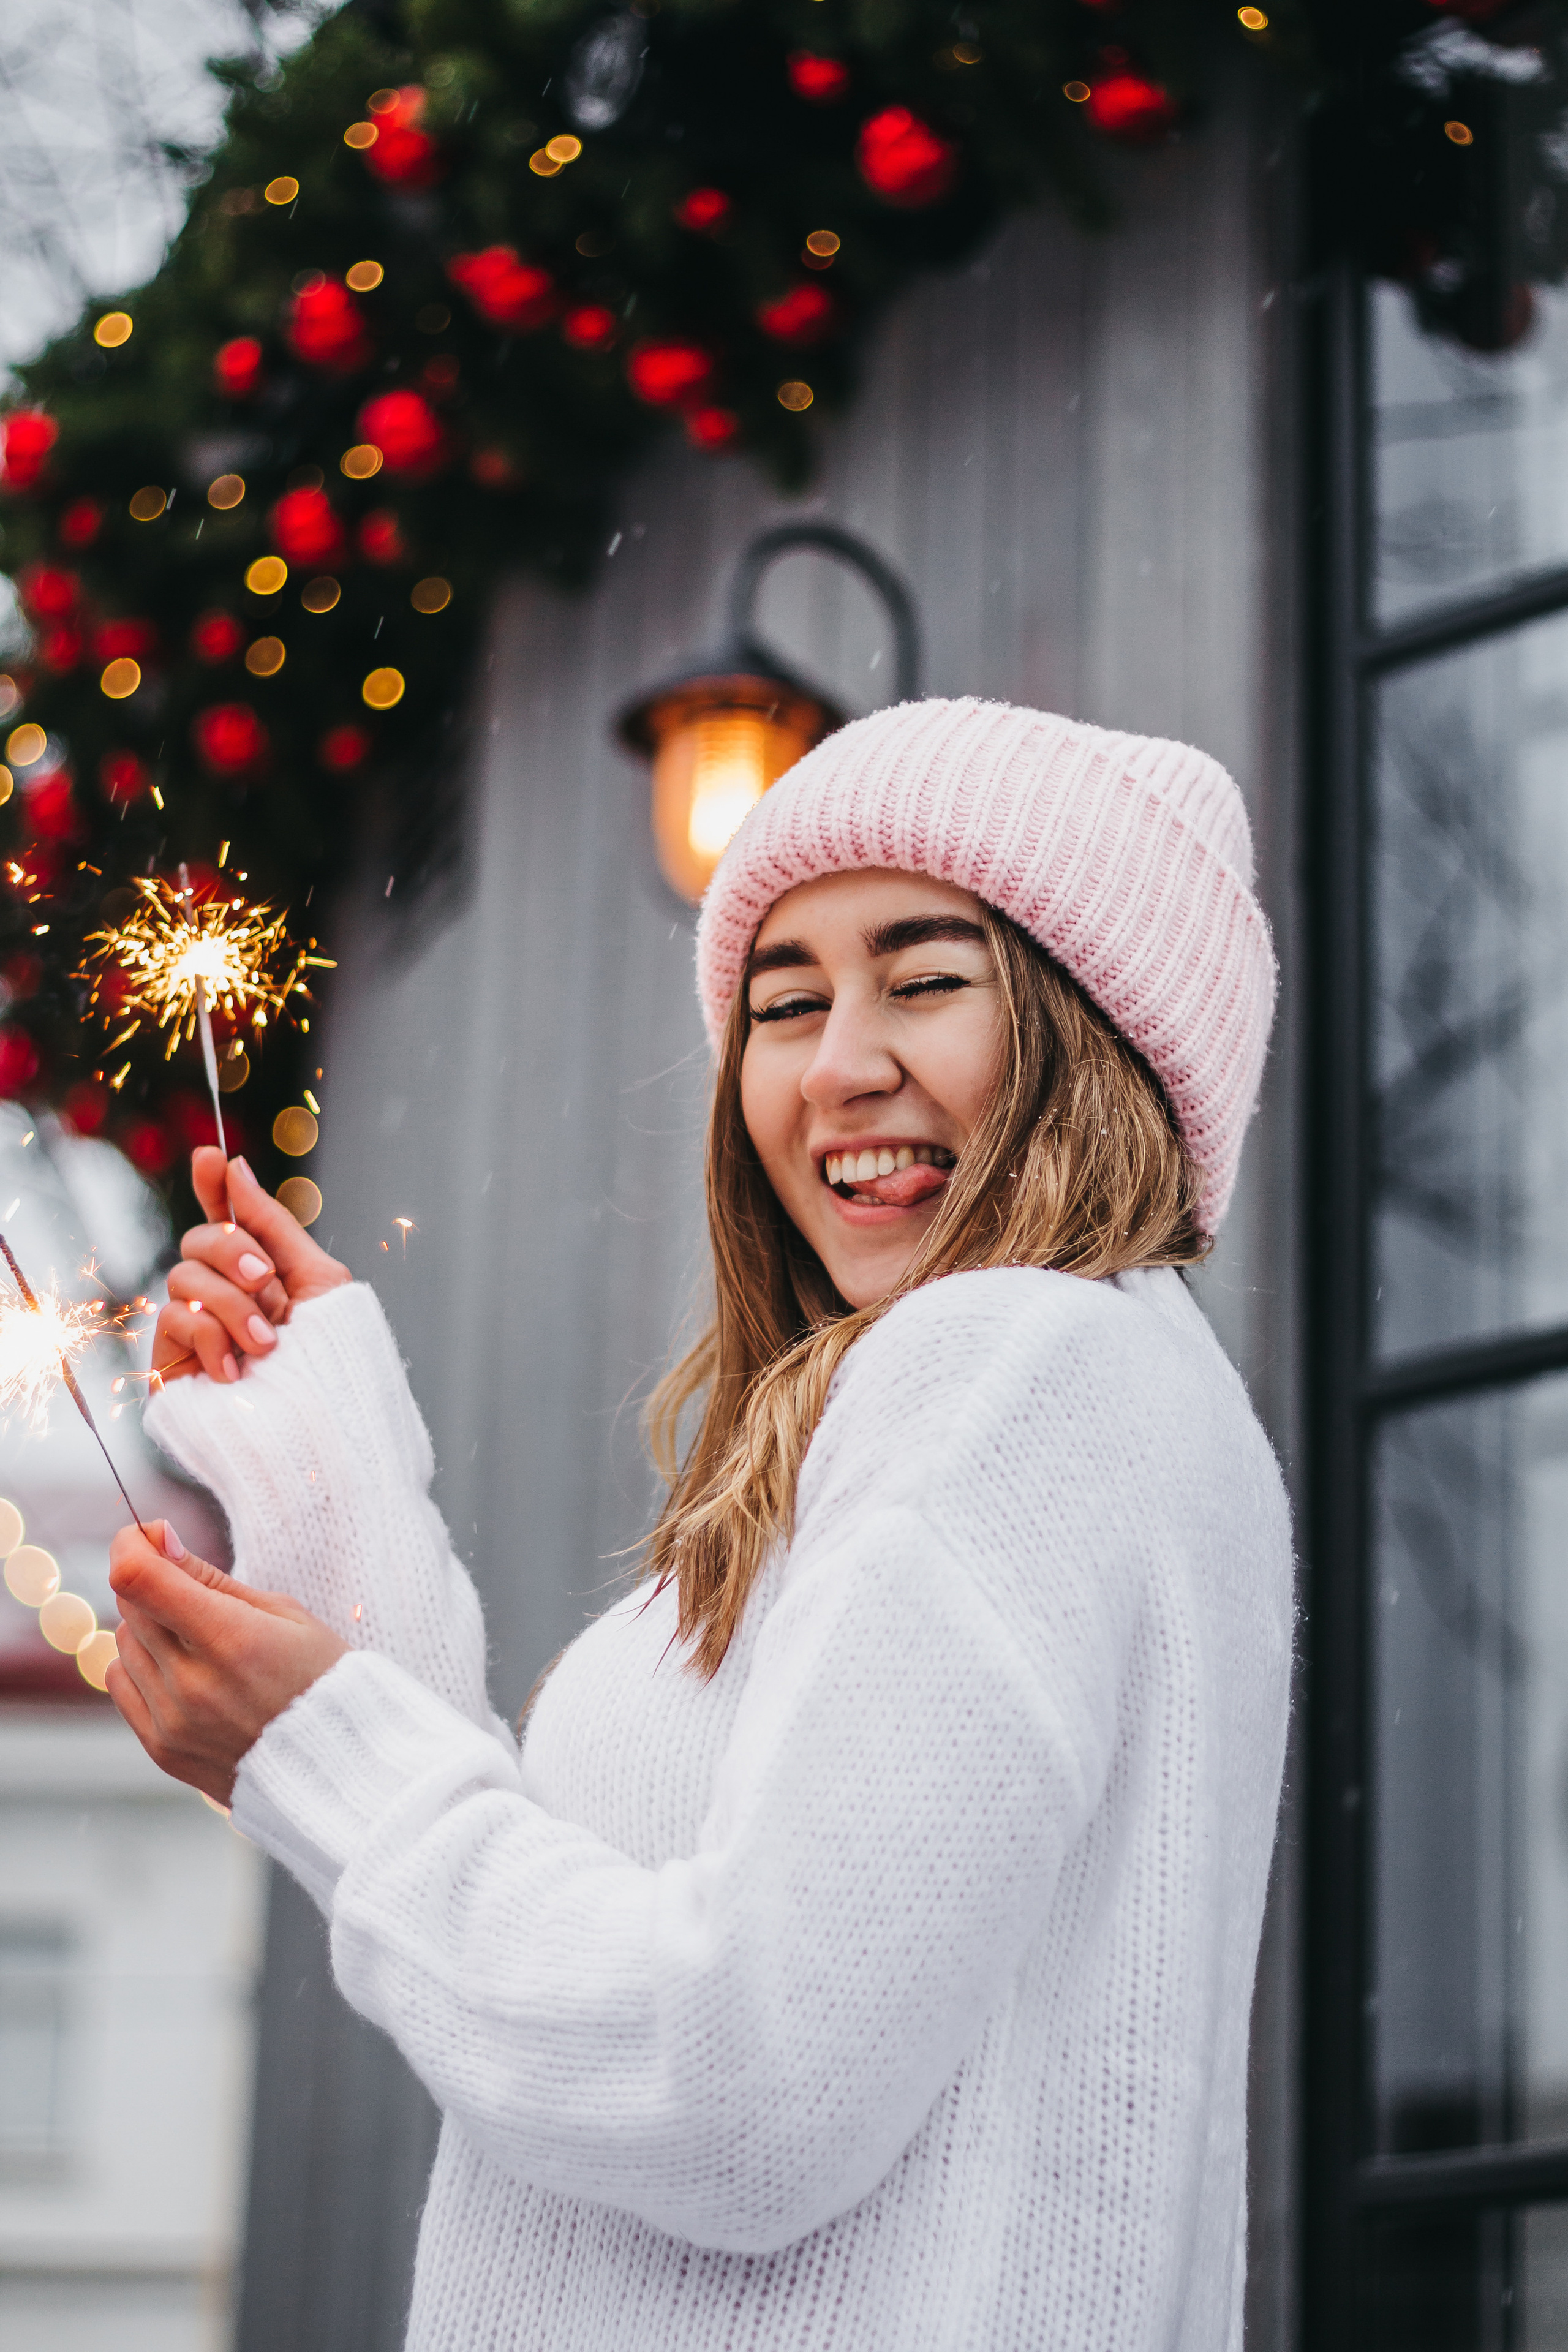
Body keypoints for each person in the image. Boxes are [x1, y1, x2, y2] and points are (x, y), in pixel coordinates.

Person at [107, 696, 1292, 2352]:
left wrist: (318, 1755)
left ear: (1099, 1035)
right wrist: (323, 1471)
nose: (838, 1066)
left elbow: (736, 2086)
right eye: (785, 1004)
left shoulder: (1020, 1367)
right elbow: (582, 1994)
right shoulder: (1065, 1401)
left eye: (926, 981)